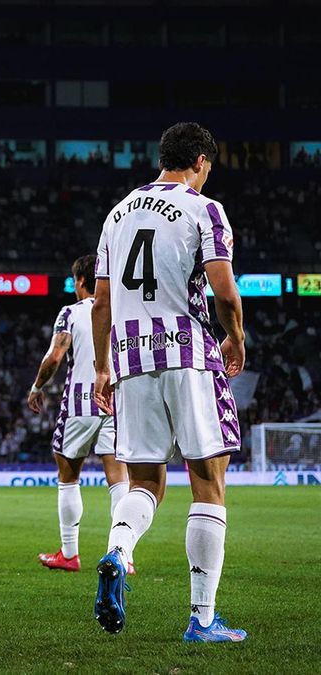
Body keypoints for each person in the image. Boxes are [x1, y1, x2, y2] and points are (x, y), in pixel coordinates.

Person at [91, 122, 246, 642]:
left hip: (130, 359)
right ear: (200, 160)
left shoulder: (117, 213)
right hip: (187, 352)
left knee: (144, 484)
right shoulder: (204, 209)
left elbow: (102, 301)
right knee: (208, 483)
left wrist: (101, 368)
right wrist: (237, 338)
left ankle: (118, 550)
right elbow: (223, 291)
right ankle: (202, 619)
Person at [28, 256, 127, 572]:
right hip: (114, 401)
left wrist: (37, 387)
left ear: (81, 282)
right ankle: (123, 554)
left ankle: (69, 554)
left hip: (79, 404)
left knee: (68, 477)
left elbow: (55, 356)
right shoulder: (120, 309)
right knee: (118, 478)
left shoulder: (70, 313)